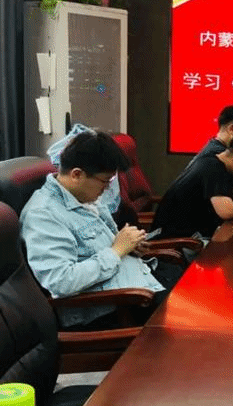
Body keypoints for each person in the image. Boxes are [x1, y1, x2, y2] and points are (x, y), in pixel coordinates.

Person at [20, 131, 178, 329]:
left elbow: (105, 245)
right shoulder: (43, 215)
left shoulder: (84, 195)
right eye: (105, 181)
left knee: (194, 288)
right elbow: (61, 281)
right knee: (192, 321)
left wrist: (129, 247)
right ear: (77, 174)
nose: (107, 189)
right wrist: (116, 251)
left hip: (137, 279)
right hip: (116, 305)